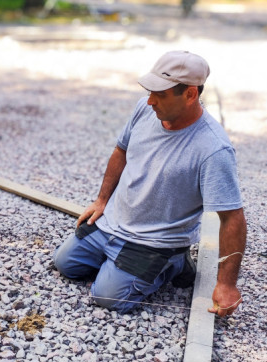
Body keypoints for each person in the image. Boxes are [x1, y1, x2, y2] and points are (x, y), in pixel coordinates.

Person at [52, 51, 246, 317]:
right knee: (65, 264)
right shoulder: (145, 108)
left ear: (190, 94)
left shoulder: (213, 148)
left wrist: (226, 284)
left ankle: (174, 262)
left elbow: (232, 216)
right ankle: (123, 265)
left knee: (106, 296)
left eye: (161, 94)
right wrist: (102, 201)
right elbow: (121, 150)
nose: (151, 100)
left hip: (155, 240)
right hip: (114, 222)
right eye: (150, 91)